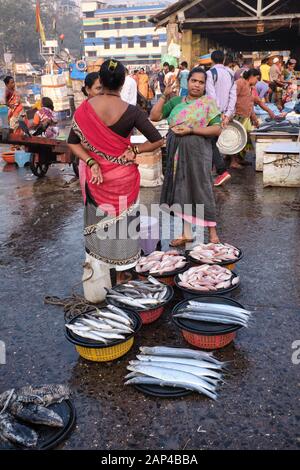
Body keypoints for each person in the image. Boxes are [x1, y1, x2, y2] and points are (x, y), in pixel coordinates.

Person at [68, 60, 164, 286]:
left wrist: (91, 161)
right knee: (124, 228)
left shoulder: (84, 110)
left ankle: (99, 274)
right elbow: (158, 140)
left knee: (98, 224)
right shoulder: (132, 112)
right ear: (123, 83)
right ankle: (122, 275)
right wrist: (134, 150)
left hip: (97, 179)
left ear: (100, 81)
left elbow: (72, 143)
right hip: (124, 179)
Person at [150, 67, 222, 246]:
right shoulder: (175, 102)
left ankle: (212, 233)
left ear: (205, 86)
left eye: (201, 82)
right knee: (181, 189)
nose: (197, 85)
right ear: (187, 82)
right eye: (194, 81)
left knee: (202, 188)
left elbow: (217, 128)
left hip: (198, 152)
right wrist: (164, 96)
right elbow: (155, 116)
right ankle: (186, 233)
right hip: (176, 152)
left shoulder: (208, 103)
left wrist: (192, 130)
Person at [206, 50, 236, 186]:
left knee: (210, 143)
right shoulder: (230, 73)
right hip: (224, 113)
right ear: (223, 59)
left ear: (211, 60)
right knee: (212, 143)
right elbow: (232, 95)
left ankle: (221, 171)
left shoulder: (210, 73)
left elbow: (211, 96)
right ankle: (210, 172)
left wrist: (218, 113)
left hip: (213, 114)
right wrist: (227, 114)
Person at [232, 68, 260, 168]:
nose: (257, 81)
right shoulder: (240, 83)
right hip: (238, 116)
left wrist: (254, 118)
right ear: (251, 76)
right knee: (236, 139)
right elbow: (232, 97)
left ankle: (239, 159)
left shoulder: (250, 87)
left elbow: (250, 104)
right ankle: (233, 161)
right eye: (257, 78)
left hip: (246, 117)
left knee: (244, 139)